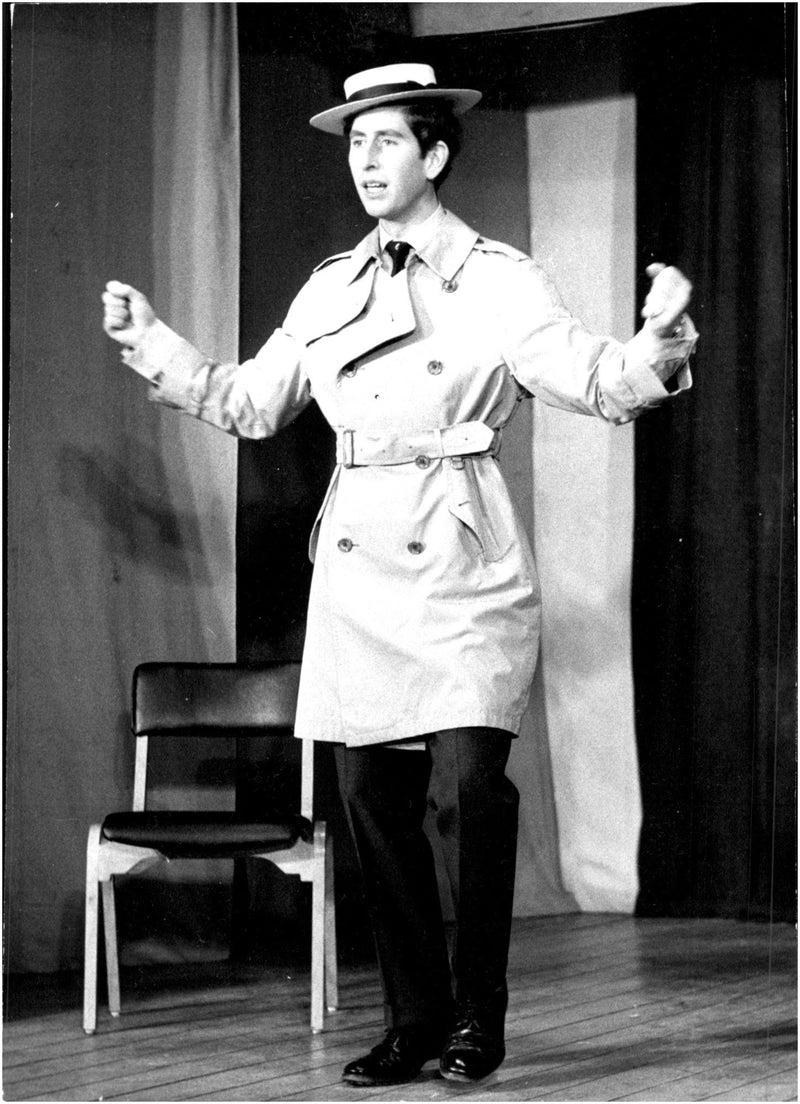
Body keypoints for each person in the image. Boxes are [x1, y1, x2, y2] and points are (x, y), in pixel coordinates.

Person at [102, 62, 697, 1087]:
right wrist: (156, 346)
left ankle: (477, 1018)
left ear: (433, 154)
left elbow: (585, 377)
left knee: (470, 791)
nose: (365, 160)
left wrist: (652, 346)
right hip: (358, 564)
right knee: (371, 807)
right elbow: (252, 403)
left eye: (386, 142)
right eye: (353, 143)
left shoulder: (498, 277)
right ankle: (414, 1021)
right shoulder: (329, 286)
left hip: (461, 546)